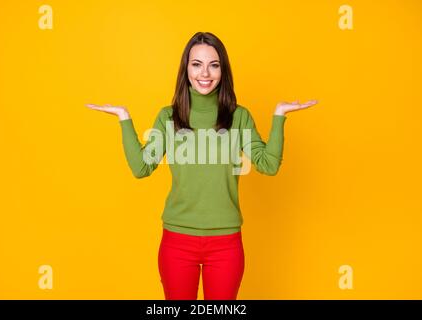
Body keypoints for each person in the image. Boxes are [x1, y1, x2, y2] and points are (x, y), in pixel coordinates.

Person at [85, 32, 318, 300]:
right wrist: (124, 119)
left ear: (223, 70)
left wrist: (279, 116)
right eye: (196, 64)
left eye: (213, 65)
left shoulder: (238, 117)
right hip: (177, 241)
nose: (204, 73)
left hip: (226, 243)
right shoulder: (169, 117)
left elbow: (268, 164)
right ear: (186, 69)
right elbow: (141, 168)